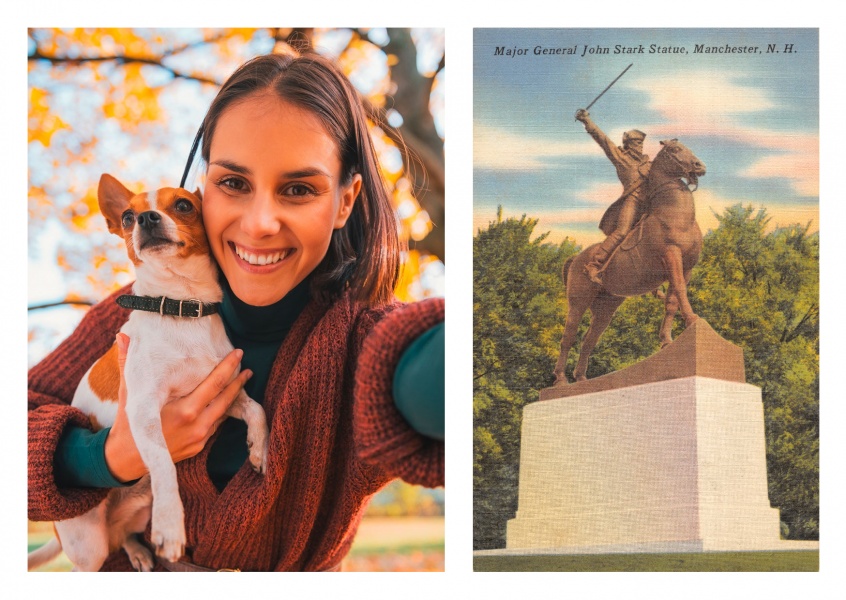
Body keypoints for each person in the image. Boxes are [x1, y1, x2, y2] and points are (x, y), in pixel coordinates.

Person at [28, 51, 445, 572]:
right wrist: (107, 457)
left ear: (344, 201)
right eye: (233, 183)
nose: (259, 224)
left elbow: (432, 378)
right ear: (203, 191)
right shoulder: (127, 314)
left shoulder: (364, 342)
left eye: (298, 189)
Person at [575, 108, 651, 284]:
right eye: (636, 143)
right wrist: (587, 121)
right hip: (632, 200)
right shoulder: (620, 158)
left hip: (648, 204)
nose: (639, 147)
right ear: (628, 144)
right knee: (622, 231)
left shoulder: (648, 163)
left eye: (641, 144)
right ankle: (594, 265)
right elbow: (603, 140)